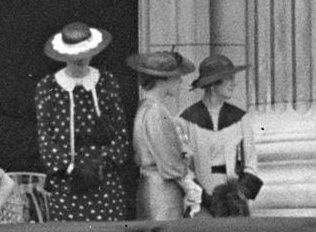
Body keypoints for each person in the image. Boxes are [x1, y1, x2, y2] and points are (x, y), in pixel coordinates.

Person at [34, 22, 133, 221]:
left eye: (84, 53)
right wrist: (69, 168)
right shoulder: (48, 87)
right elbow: (45, 137)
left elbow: (121, 132)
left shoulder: (107, 82)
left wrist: (101, 165)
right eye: (74, 56)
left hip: (105, 181)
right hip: (67, 184)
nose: (80, 59)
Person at [131, 49, 203, 221]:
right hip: (162, 189)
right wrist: (189, 184)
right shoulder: (156, 111)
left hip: (155, 184)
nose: (179, 81)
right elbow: (169, 160)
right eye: (175, 76)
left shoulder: (147, 107)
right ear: (162, 79)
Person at [182, 54, 262, 204]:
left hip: (234, 200)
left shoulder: (240, 118)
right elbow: (183, 167)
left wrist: (238, 195)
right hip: (200, 202)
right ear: (213, 84)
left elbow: (251, 165)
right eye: (229, 78)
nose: (234, 83)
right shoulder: (186, 120)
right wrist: (202, 197)